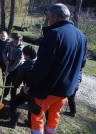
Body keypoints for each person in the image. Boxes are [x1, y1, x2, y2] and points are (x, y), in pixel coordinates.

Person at [25, 3, 87, 134]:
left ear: (54, 16)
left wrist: (29, 84)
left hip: (46, 90)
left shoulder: (54, 34)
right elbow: (81, 66)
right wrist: (75, 85)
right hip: (65, 92)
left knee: (36, 117)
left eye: (48, 17)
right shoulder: (82, 36)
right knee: (53, 118)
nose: (48, 20)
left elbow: (42, 66)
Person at [9, 45, 37, 128]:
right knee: (31, 107)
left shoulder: (24, 66)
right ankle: (30, 123)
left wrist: (15, 86)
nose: (23, 55)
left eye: (23, 54)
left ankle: (14, 120)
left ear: (27, 55)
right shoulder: (38, 63)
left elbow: (18, 80)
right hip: (36, 92)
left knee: (13, 102)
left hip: (27, 91)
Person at [3, 32, 24, 101]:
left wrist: (8, 70)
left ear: (20, 40)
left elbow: (17, 62)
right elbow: (4, 52)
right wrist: (6, 60)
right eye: (14, 40)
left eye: (16, 41)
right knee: (7, 82)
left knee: (14, 84)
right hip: (9, 63)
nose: (15, 43)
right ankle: (4, 95)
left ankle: (13, 98)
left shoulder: (21, 49)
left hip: (17, 67)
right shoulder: (10, 43)